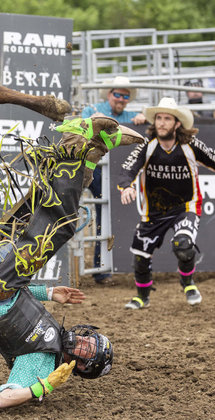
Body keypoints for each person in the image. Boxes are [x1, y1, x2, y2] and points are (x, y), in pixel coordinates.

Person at [0, 116, 144, 408]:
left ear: (79, 367)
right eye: (89, 340)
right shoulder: (52, 337)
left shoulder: (44, 361)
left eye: (87, 351)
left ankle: (77, 145)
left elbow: (3, 399)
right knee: (38, 213)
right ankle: (90, 152)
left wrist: (46, 384)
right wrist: (48, 293)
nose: (82, 342)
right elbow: (16, 307)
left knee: (60, 226)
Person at [119, 97, 215, 309]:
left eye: (167, 119)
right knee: (141, 258)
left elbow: (213, 159)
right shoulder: (148, 146)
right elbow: (128, 168)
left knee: (183, 245)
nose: (161, 123)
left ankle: (188, 282)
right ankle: (142, 297)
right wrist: (126, 186)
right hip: (153, 212)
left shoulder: (191, 146)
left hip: (185, 207)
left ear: (177, 123)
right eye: (158, 118)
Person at [81, 76, 147, 285]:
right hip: (91, 167)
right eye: (117, 94)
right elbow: (80, 128)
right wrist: (92, 120)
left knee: (106, 209)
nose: (121, 98)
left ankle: (101, 269)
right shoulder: (93, 109)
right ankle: (99, 268)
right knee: (104, 206)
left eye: (125, 96)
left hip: (111, 172)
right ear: (109, 94)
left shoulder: (130, 115)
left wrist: (143, 119)